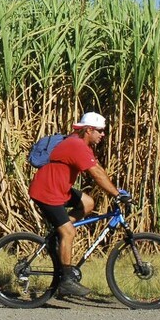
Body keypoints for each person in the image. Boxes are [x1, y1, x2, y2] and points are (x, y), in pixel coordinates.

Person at [27, 111, 126, 297]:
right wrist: (116, 194)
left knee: (88, 203)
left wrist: (116, 191)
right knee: (69, 232)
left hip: (59, 189)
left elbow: (99, 169)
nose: (102, 134)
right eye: (100, 131)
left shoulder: (79, 143)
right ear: (88, 130)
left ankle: (60, 233)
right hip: (47, 192)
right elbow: (96, 174)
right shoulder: (75, 145)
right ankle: (66, 281)